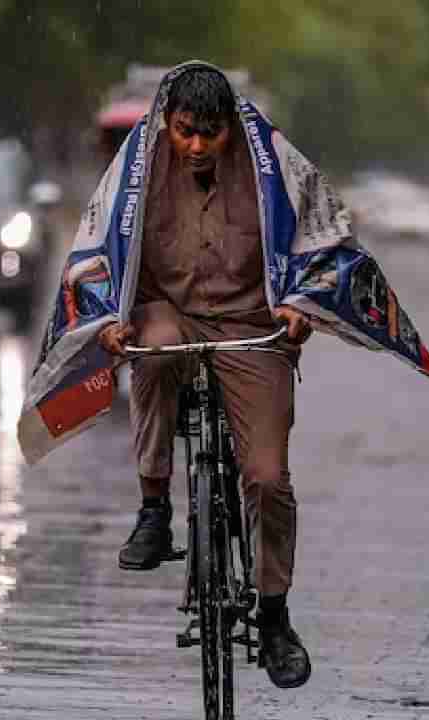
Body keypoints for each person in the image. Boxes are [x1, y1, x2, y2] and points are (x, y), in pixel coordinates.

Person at [95, 68, 313, 689]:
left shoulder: (275, 168)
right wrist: (112, 320)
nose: (196, 147)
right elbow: (98, 255)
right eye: (185, 133)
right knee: (153, 349)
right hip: (171, 314)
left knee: (268, 479)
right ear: (167, 126)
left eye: (210, 135)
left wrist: (300, 305)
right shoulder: (134, 173)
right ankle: (155, 507)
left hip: (253, 326)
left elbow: (320, 246)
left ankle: (274, 618)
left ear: (230, 133)